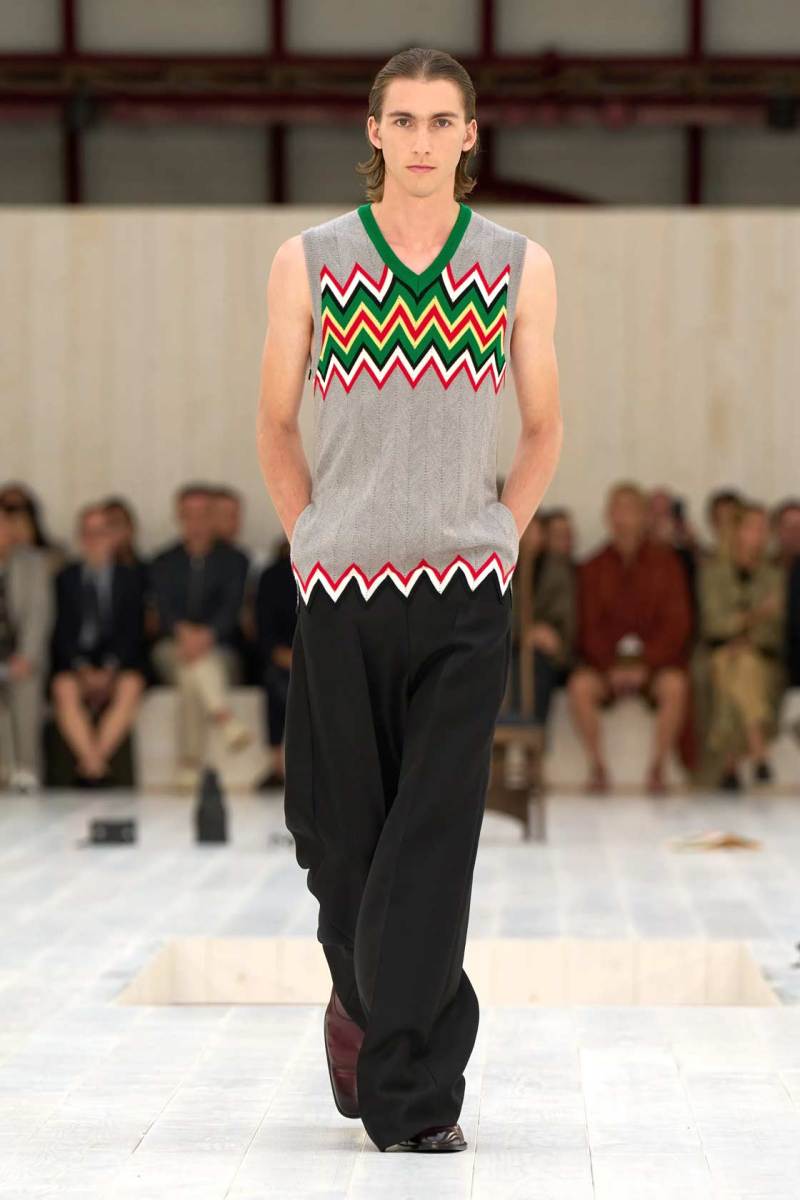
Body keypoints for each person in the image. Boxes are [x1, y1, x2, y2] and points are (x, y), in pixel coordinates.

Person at [255, 48, 562, 1154]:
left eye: (442, 121)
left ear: (470, 135)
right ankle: (363, 1000)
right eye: (405, 119)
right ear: (374, 131)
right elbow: (275, 422)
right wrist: (309, 538)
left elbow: (543, 426)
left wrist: (499, 535)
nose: (423, 140)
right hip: (340, 589)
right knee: (335, 842)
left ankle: (414, 1096)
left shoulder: (517, 263)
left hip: (464, 595)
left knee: (431, 841)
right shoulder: (310, 260)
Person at [568, 481, 693, 795]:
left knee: (675, 686)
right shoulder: (592, 567)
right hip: (606, 668)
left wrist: (645, 664)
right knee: (580, 687)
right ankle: (597, 767)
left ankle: (658, 768)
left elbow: (676, 624)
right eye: (616, 510)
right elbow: (587, 627)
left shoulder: (667, 564)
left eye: (629, 509)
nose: (622, 518)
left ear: (643, 516)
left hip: (654, 667)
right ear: (607, 517)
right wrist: (611, 666)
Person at [149, 484, 253, 792]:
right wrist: (183, 633)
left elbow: (231, 609)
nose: (196, 522)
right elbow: (163, 609)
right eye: (189, 515)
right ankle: (224, 718)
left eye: (203, 514)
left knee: (191, 672)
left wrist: (207, 635)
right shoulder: (164, 561)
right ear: (179, 517)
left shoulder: (235, 560)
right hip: (172, 646)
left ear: (213, 517)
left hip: (221, 649)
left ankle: (190, 765)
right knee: (188, 663)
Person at [49, 503, 147, 782]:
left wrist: (110, 669)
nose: (94, 540)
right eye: (88, 533)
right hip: (76, 664)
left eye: (101, 532)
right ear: (80, 537)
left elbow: (133, 631)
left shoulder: (131, 578)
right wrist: (81, 668)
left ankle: (92, 763)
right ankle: (96, 765)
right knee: (63, 688)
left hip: (118, 665)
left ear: (112, 536)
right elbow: (61, 631)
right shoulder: (65, 579)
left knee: (131, 686)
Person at [698, 502, 786, 790]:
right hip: (720, 653)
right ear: (736, 531)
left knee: (741, 666)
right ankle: (758, 751)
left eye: (764, 529)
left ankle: (729, 763)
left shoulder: (774, 576)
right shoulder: (713, 574)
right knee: (732, 664)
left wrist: (745, 635)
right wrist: (757, 615)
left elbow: (776, 630)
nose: (760, 535)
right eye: (753, 527)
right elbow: (714, 622)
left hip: (760, 657)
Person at [0, 502, 53, 791]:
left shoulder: (33, 564)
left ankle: (27, 769)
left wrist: (26, 657)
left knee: (26, 684)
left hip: (21, 657)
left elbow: (39, 614)